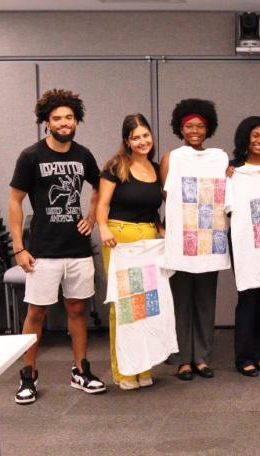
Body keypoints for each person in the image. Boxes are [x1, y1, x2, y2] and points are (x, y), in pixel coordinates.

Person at [10, 88, 106, 404]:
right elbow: (15, 200)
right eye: (57, 118)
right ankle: (28, 375)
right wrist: (19, 248)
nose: (64, 123)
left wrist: (91, 217)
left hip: (77, 249)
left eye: (69, 117)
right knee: (36, 312)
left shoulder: (83, 155)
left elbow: (99, 186)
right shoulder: (31, 156)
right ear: (47, 123)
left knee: (77, 309)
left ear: (76, 120)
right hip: (43, 249)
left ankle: (81, 370)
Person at [160, 98, 228, 381]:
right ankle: (182, 359)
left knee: (205, 300)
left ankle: (201, 357)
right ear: (180, 128)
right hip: (181, 237)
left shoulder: (220, 158)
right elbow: (167, 196)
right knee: (181, 300)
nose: (195, 131)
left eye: (200, 126)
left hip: (210, 239)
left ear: (208, 128)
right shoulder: (172, 158)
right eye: (189, 126)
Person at [96, 113, 163, 390]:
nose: (142, 141)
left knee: (145, 306)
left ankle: (142, 368)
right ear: (127, 141)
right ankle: (123, 371)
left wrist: (160, 228)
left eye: (146, 135)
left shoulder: (156, 169)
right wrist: (103, 227)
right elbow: (102, 203)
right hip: (119, 238)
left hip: (147, 239)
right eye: (136, 137)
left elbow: (154, 207)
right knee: (123, 307)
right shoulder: (116, 166)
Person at [226, 116, 260, 377]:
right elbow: (226, 208)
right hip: (243, 239)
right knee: (247, 295)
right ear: (246, 137)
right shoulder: (233, 169)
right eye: (255, 135)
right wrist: (227, 179)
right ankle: (244, 357)